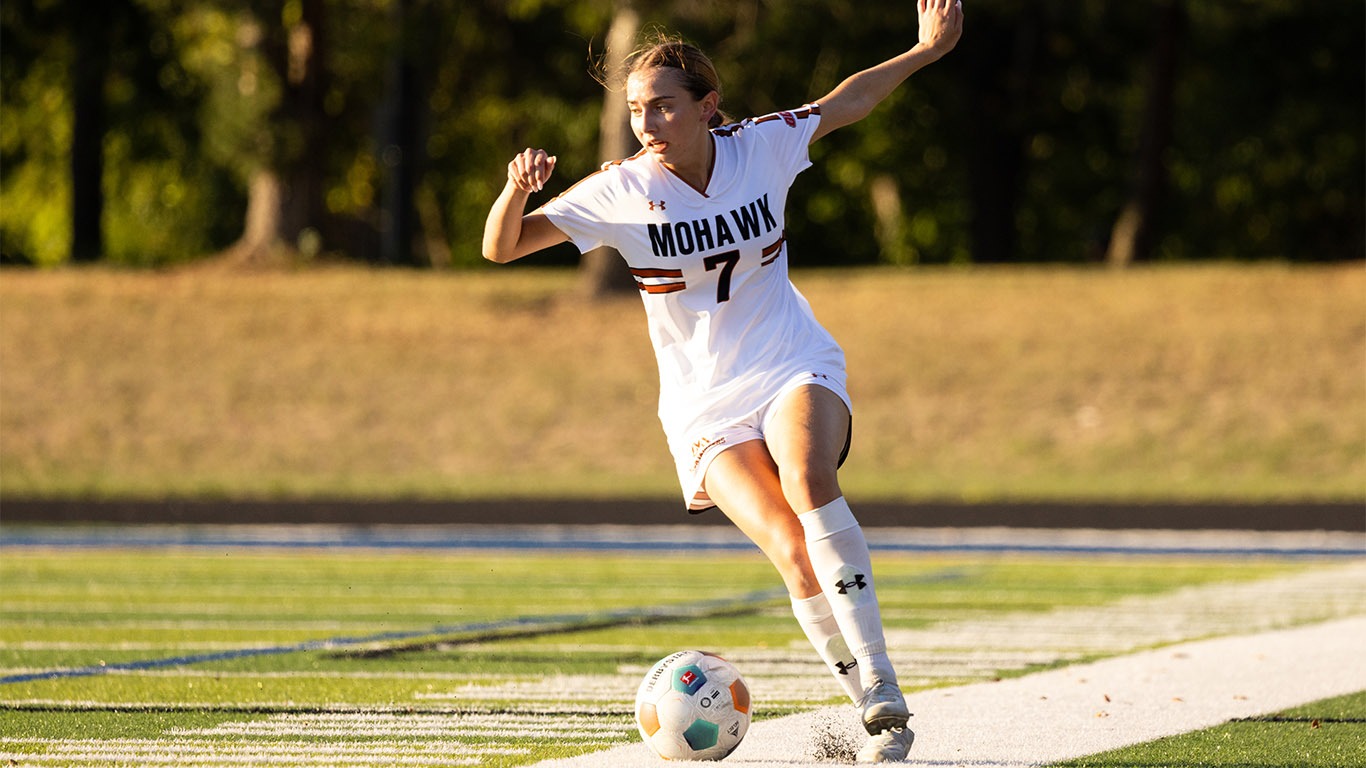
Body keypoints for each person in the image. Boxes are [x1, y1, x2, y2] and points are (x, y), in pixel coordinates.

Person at [483, 1, 963, 762]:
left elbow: (847, 101)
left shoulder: (761, 146)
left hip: (791, 361)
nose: (647, 123)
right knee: (791, 549)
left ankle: (881, 677)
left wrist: (925, 50)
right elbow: (501, 246)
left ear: (708, 106)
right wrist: (517, 188)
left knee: (808, 478)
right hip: (703, 403)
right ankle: (878, 716)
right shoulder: (620, 189)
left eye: (664, 106)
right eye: (636, 109)